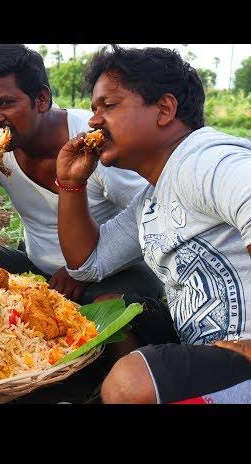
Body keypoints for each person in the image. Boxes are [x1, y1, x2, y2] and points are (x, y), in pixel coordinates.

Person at [56, 44, 251, 403]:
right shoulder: (153, 196)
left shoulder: (205, 160)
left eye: (109, 106)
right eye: (94, 109)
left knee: (132, 382)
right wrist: (71, 184)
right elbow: (86, 264)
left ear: (164, 109)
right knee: (113, 308)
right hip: (205, 344)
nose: (94, 121)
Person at [0, 44, 163, 305]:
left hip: (110, 272)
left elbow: (154, 218)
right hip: (37, 269)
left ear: (41, 99)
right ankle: (30, 300)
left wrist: (84, 270)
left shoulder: (93, 142)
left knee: (113, 303)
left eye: (5, 103)